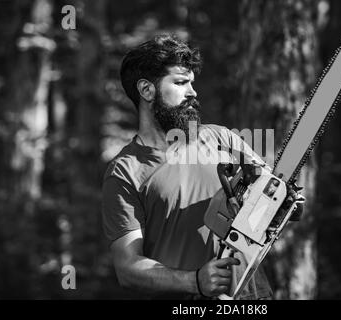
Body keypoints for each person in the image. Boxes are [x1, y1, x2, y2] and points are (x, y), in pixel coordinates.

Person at [101, 34, 273, 299]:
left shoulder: (220, 138)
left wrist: (279, 204)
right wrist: (195, 281)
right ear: (147, 90)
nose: (193, 92)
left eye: (192, 82)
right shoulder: (125, 172)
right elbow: (127, 268)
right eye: (181, 83)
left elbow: (273, 192)